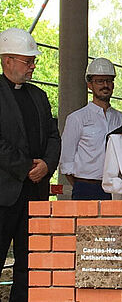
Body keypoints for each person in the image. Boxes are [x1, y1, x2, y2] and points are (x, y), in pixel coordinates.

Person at [0, 28, 61, 301]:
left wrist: (47, 165)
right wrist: (26, 167)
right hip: (4, 196)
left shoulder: (39, 96)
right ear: (8, 60)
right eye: (28, 61)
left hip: (35, 195)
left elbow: (52, 135)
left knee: (29, 265)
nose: (33, 66)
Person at [59, 58, 122, 200]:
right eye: (100, 81)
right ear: (90, 85)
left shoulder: (120, 119)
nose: (105, 85)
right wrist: (82, 184)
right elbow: (66, 161)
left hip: (114, 188)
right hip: (85, 187)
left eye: (109, 81)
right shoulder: (77, 118)